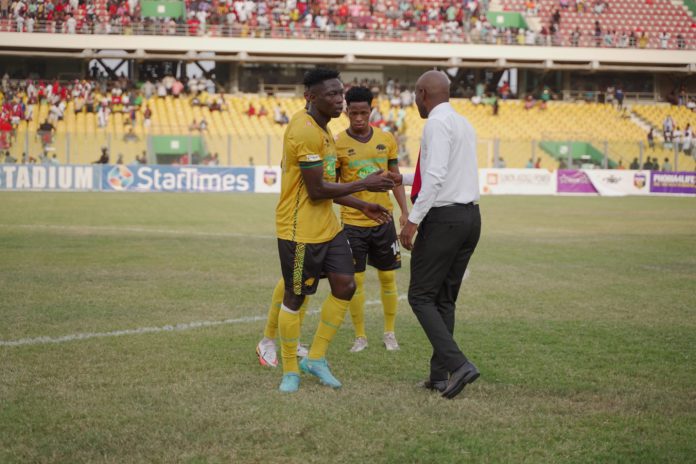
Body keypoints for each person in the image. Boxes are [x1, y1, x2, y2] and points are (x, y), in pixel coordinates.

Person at [273, 68, 394, 393]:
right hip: (299, 231)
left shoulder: (324, 130)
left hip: (328, 228)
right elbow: (316, 190)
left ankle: (315, 358)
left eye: (340, 93)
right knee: (295, 297)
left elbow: (329, 187)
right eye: (331, 94)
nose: (339, 100)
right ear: (310, 97)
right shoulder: (305, 131)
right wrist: (365, 184)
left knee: (345, 285)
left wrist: (361, 205)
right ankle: (289, 370)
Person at [393, 70, 481, 400]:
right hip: (470, 217)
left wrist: (412, 221)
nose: (414, 101)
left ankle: (458, 365)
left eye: (415, 95)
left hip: (444, 219)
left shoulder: (435, 124)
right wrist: (400, 179)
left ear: (422, 93)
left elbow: (436, 175)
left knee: (420, 296)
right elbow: (446, 173)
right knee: (444, 298)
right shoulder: (463, 123)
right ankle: (440, 376)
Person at [335, 86, 409, 353]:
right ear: (346, 112)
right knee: (357, 281)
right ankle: (360, 336)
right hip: (353, 224)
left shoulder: (387, 139)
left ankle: (389, 333)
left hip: (384, 221)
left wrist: (405, 211)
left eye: (363, 112)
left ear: (371, 111)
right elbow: (333, 189)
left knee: (388, 279)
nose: (358, 118)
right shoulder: (337, 143)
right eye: (353, 113)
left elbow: (395, 178)